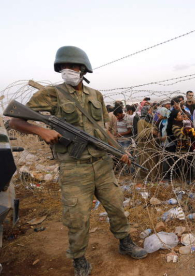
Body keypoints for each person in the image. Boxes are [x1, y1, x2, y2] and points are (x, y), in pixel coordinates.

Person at [9, 46, 147, 275]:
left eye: (71, 66)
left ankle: (125, 243)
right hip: (74, 168)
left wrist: (118, 151)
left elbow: (103, 131)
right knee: (77, 217)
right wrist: (41, 131)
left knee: (116, 207)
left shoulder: (96, 96)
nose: (67, 70)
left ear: (82, 69)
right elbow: (14, 121)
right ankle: (79, 259)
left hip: (102, 164)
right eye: (62, 67)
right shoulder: (51, 94)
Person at [136, 106, 159, 181]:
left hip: (152, 145)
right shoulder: (141, 121)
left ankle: (152, 177)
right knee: (146, 162)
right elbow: (141, 134)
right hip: (145, 145)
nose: (151, 112)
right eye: (150, 110)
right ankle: (146, 178)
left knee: (152, 162)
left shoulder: (149, 120)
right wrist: (151, 131)